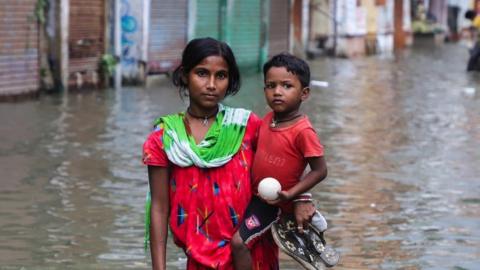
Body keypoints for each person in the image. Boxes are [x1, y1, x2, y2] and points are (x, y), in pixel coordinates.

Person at [142, 37, 278, 270]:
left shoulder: (246, 126)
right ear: (185, 75)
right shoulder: (166, 138)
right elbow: (159, 207)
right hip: (200, 258)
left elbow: (280, 169)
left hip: (251, 253)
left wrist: (301, 200)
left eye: (221, 76)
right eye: (202, 73)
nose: (212, 84)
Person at [231, 53, 336, 270]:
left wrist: (295, 194)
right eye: (271, 85)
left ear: (304, 93)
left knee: (238, 243)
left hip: (273, 204)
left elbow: (320, 170)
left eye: (287, 86)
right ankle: (305, 230)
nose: (277, 92)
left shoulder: (303, 131)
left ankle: (309, 227)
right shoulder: (268, 119)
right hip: (259, 196)